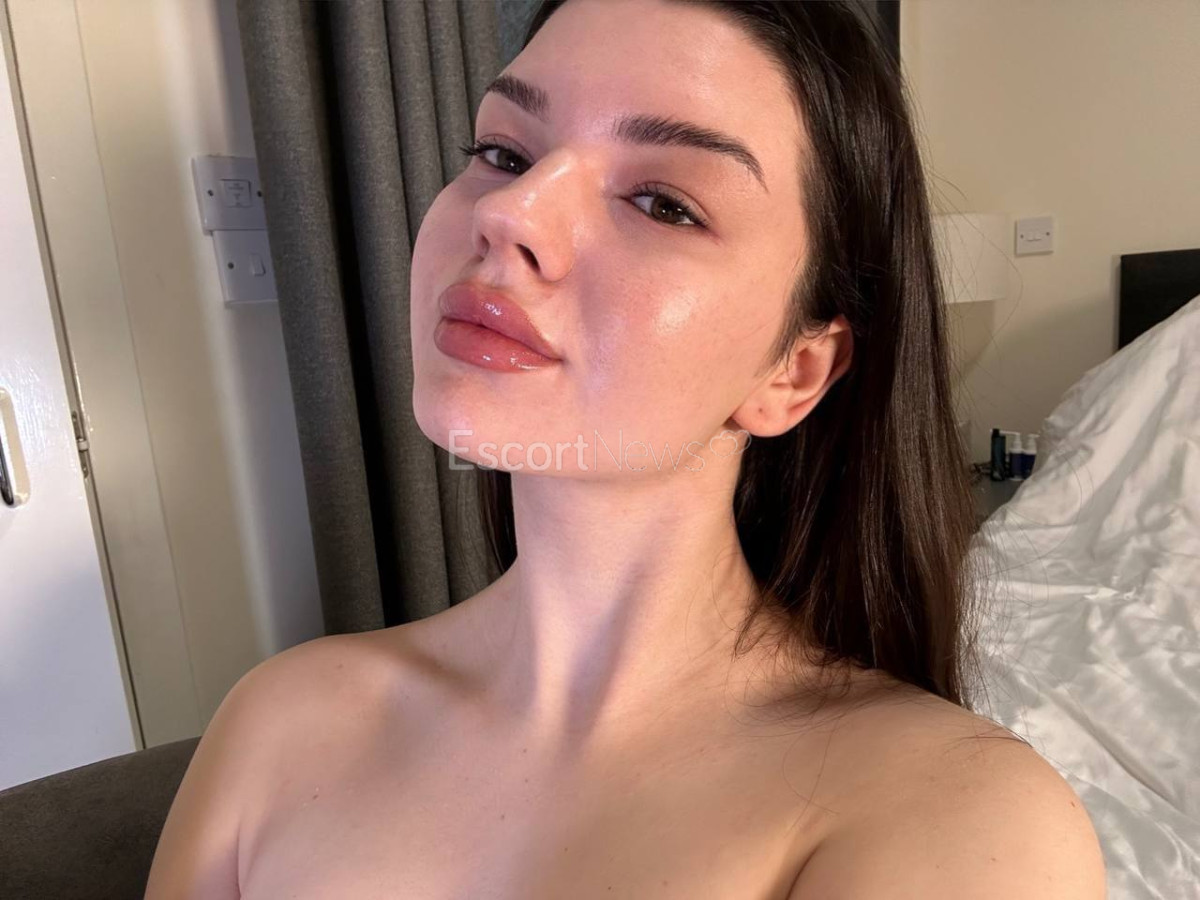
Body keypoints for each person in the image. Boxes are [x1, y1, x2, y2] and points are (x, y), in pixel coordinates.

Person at [146, 1, 1106, 897]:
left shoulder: (960, 815)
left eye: (663, 203)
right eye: (503, 152)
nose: (509, 213)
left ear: (795, 371)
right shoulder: (278, 722)